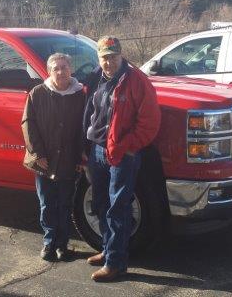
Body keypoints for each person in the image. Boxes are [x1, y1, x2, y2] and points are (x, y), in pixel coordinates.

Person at [82, 36, 161, 282]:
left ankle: (116, 263)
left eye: (113, 57)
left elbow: (150, 123)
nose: (109, 62)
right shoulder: (95, 78)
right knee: (101, 203)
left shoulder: (136, 80)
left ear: (121, 55)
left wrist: (128, 146)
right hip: (96, 150)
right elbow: (88, 112)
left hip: (122, 154)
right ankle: (107, 250)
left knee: (119, 208)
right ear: (98, 58)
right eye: (104, 57)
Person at [21, 53, 86, 261]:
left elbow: (83, 129)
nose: (61, 72)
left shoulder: (80, 95)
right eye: (56, 68)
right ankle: (49, 243)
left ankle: (62, 245)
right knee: (47, 204)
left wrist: (80, 158)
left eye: (64, 67)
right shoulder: (37, 93)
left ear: (70, 69)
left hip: (69, 162)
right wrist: (37, 153)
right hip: (44, 162)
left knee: (65, 204)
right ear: (49, 72)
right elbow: (28, 124)